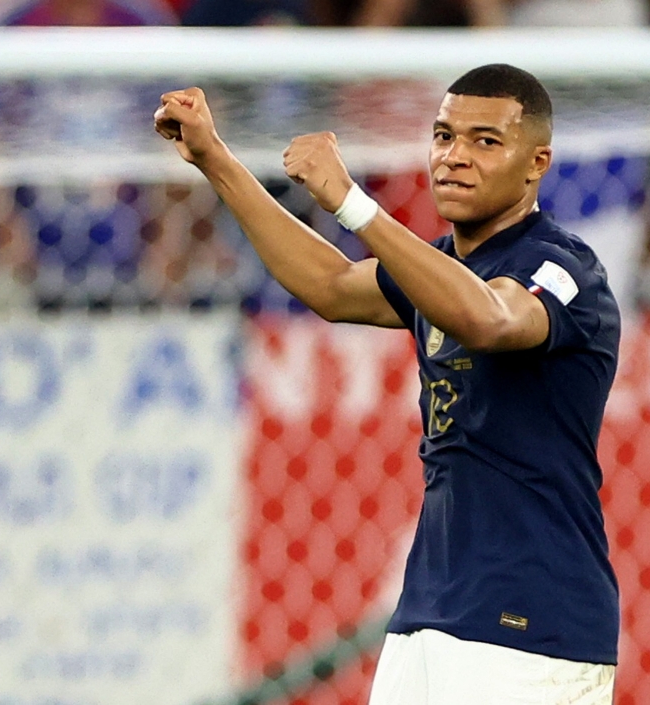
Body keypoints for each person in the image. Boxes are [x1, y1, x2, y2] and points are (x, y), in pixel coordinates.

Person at [155, 64, 620, 703]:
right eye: (443, 136)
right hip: (430, 615)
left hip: (530, 624)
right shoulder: (443, 267)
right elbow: (332, 285)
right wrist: (215, 159)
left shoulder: (564, 267)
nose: (455, 157)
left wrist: (353, 204)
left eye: (486, 141)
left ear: (537, 162)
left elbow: (488, 317)